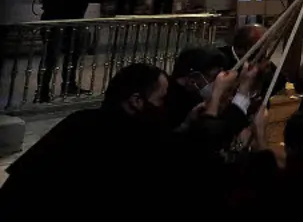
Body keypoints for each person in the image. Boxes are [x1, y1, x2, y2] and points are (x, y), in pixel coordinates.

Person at [0, 63, 175, 218]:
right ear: (136, 100)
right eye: (161, 100)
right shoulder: (132, 142)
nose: (164, 108)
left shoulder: (79, 121)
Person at [37, 0, 109, 101]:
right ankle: (42, 90)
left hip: (76, 19)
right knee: (51, 56)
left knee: (74, 54)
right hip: (54, 19)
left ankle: (69, 84)